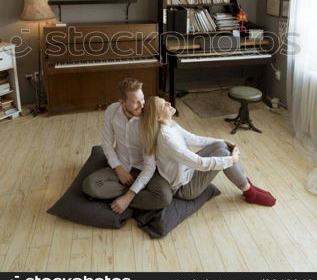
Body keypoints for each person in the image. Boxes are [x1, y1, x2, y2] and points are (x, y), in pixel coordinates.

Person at [141, 96, 276, 206]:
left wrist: (223, 141)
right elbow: (200, 163)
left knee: (221, 146)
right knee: (224, 155)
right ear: (157, 117)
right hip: (185, 188)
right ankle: (250, 193)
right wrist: (232, 160)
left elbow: (194, 139)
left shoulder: (170, 125)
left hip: (188, 171)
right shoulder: (166, 138)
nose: (169, 103)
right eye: (163, 104)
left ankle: (247, 184)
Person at [82, 78, 173, 214]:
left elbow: (150, 165)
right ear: (122, 102)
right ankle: (140, 192)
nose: (142, 105)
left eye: (142, 99)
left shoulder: (149, 116)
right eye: (136, 102)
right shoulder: (111, 111)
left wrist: (128, 197)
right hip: (122, 166)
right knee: (90, 186)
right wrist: (119, 170)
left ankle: (125, 197)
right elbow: (106, 144)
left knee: (164, 198)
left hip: (148, 170)